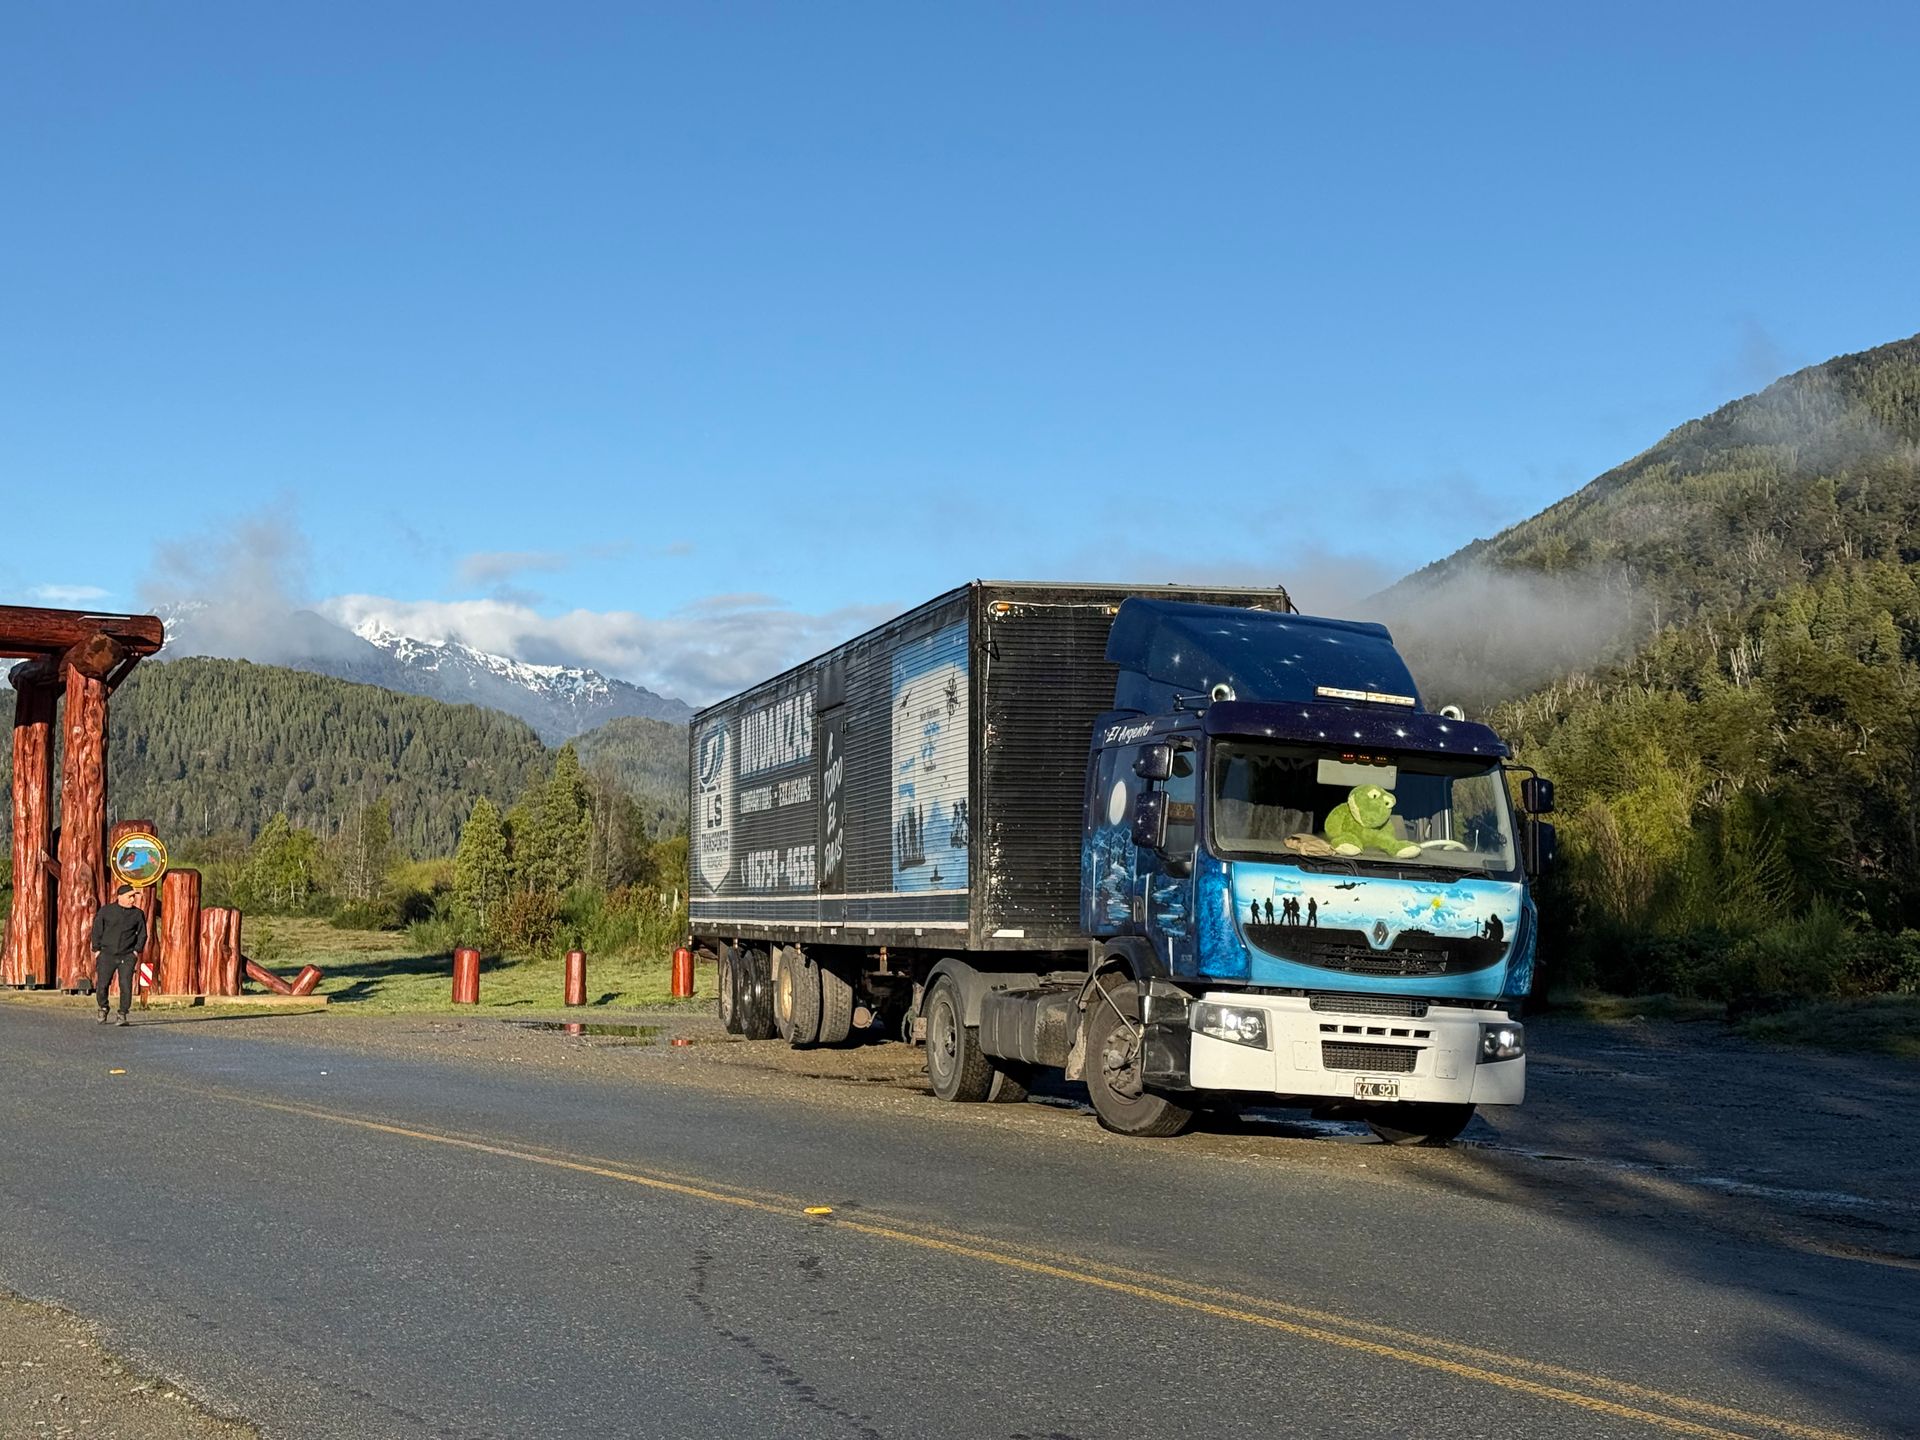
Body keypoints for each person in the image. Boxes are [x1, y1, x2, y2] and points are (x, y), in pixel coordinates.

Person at [90, 884, 147, 1026]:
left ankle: (122, 1013)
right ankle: (103, 1007)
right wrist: (97, 950)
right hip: (106, 954)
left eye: (134, 897)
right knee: (102, 985)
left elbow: (143, 934)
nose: (133, 900)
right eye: (130, 897)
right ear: (120, 897)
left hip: (127, 955)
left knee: (125, 985)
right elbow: (96, 930)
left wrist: (136, 951)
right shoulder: (106, 911)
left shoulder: (137, 914)